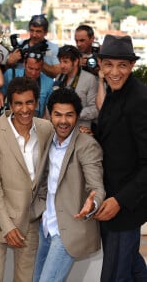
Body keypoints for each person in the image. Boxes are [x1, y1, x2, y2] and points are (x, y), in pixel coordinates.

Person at [0, 77, 54, 282]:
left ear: (37, 103)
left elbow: (47, 176)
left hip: (29, 220)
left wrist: (37, 211)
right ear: (10, 104)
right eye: (18, 103)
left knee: (25, 279)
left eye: (29, 102)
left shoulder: (46, 129)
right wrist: (7, 226)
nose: (24, 109)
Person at [31, 87, 105, 282]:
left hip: (69, 230)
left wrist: (93, 204)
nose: (63, 121)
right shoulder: (48, 140)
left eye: (69, 115)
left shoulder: (87, 145)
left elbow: (96, 186)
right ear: (49, 115)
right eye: (58, 115)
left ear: (78, 116)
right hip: (46, 226)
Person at [94, 34, 147, 282]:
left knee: (115, 274)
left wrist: (120, 201)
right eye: (109, 65)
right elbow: (113, 135)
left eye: (122, 65)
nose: (115, 72)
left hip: (125, 206)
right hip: (110, 200)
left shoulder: (140, 100)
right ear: (100, 65)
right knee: (132, 266)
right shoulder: (115, 92)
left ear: (132, 66)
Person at [0, 51, 53, 118]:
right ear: (24, 64)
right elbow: (0, 91)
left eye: (37, 69)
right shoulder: (10, 74)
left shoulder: (49, 82)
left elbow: (48, 110)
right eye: (30, 68)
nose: (33, 73)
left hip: (35, 122)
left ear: (42, 67)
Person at [54, 44, 98, 128]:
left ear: (76, 61)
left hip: (80, 131)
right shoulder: (59, 77)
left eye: (65, 62)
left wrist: (73, 113)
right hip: (60, 130)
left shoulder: (90, 79)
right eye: (60, 62)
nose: (62, 66)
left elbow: (96, 109)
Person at [7, 14, 60, 78]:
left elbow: (58, 73)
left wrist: (37, 60)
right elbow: (7, 69)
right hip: (20, 83)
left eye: (38, 31)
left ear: (45, 32)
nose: (34, 35)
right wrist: (10, 62)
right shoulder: (20, 46)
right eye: (32, 30)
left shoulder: (53, 48)